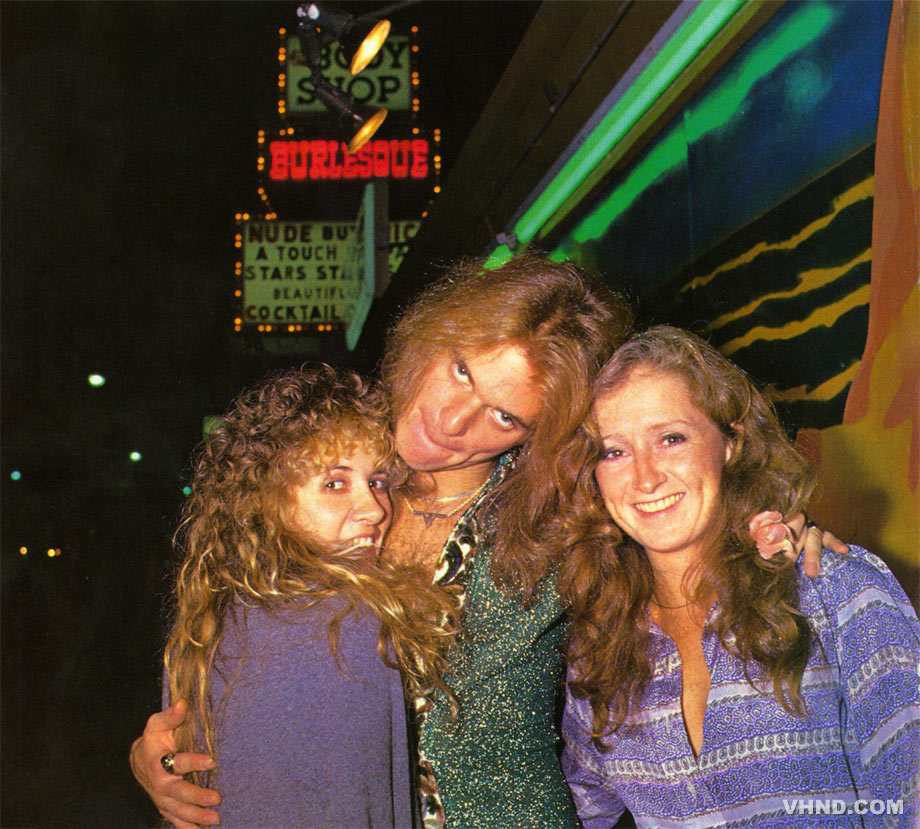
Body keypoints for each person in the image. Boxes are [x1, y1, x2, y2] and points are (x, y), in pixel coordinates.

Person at [131, 256, 839, 828]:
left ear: (536, 435)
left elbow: (677, 509)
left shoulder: (559, 511)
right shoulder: (328, 459)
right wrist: (160, 753)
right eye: (462, 367)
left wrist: (775, 533)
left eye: (502, 414)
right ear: (435, 332)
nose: (449, 418)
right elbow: (237, 610)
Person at [558, 326, 920, 827]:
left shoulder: (834, 590)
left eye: (671, 438)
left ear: (730, 441)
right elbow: (572, 813)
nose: (645, 477)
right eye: (613, 451)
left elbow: (909, 800)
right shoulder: (597, 649)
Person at [157, 365, 457, 827]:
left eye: (377, 481)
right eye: (334, 483)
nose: (374, 508)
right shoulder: (345, 620)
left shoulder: (219, 612)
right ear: (267, 499)